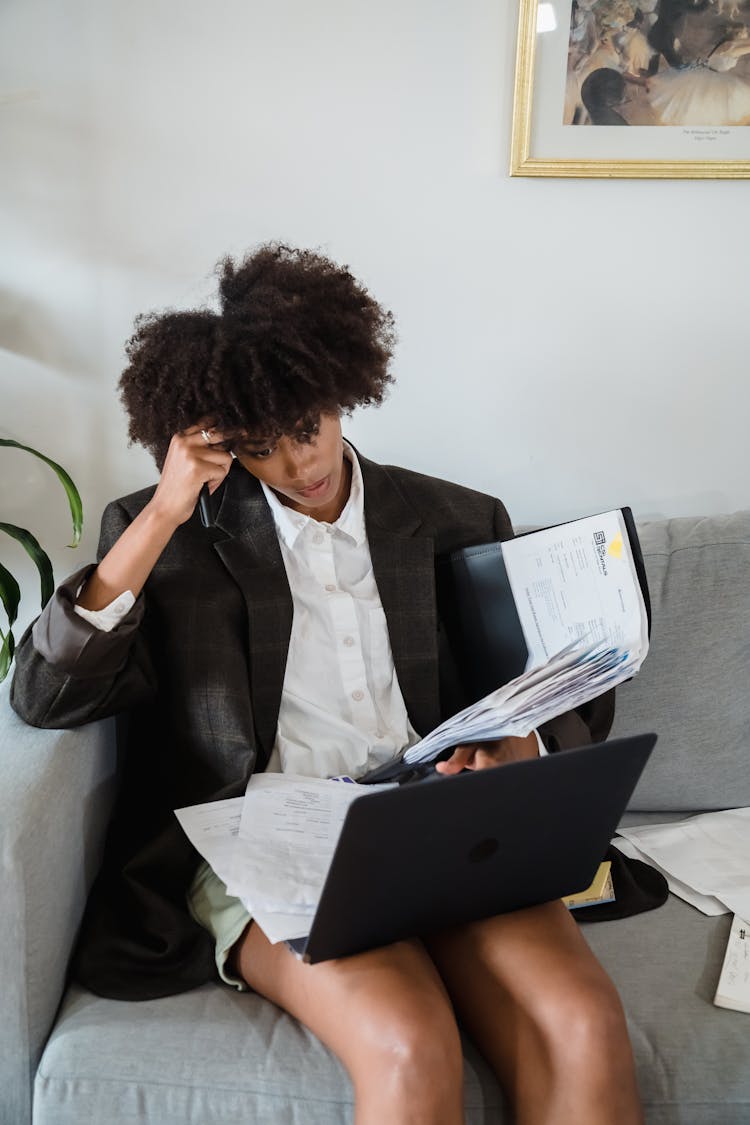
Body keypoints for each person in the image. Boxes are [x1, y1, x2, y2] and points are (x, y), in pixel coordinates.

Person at [11, 244, 642, 1124]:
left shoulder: (457, 517)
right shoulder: (170, 539)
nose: (296, 463)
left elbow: (552, 694)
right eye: (259, 449)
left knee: (583, 1021)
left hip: (441, 820)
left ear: (341, 389)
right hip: (270, 841)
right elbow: (44, 695)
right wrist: (162, 508)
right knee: (408, 1039)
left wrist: (514, 746)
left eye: (306, 427)